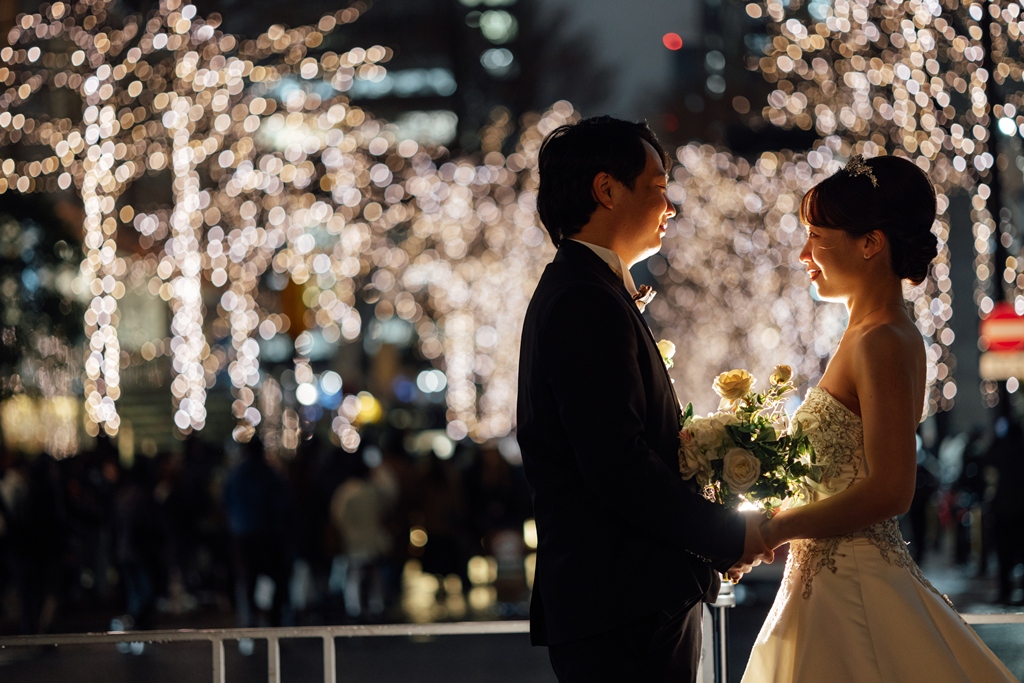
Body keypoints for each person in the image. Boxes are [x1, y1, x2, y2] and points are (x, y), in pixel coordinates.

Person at [518, 116, 772, 683]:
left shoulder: (585, 289)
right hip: (623, 604)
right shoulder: (585, 300)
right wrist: (730, 534)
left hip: (620, 602)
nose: (670, 207)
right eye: (658, 188)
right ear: (607, 189)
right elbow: (617, 464)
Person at [743, 155, 1017, 682]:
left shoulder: (882, 340)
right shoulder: (867, 334)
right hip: (826, 584)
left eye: (816, 236)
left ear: (870, 243)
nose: (803, 254)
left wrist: (774, 528)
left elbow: (891, 489)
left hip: (854, 589)